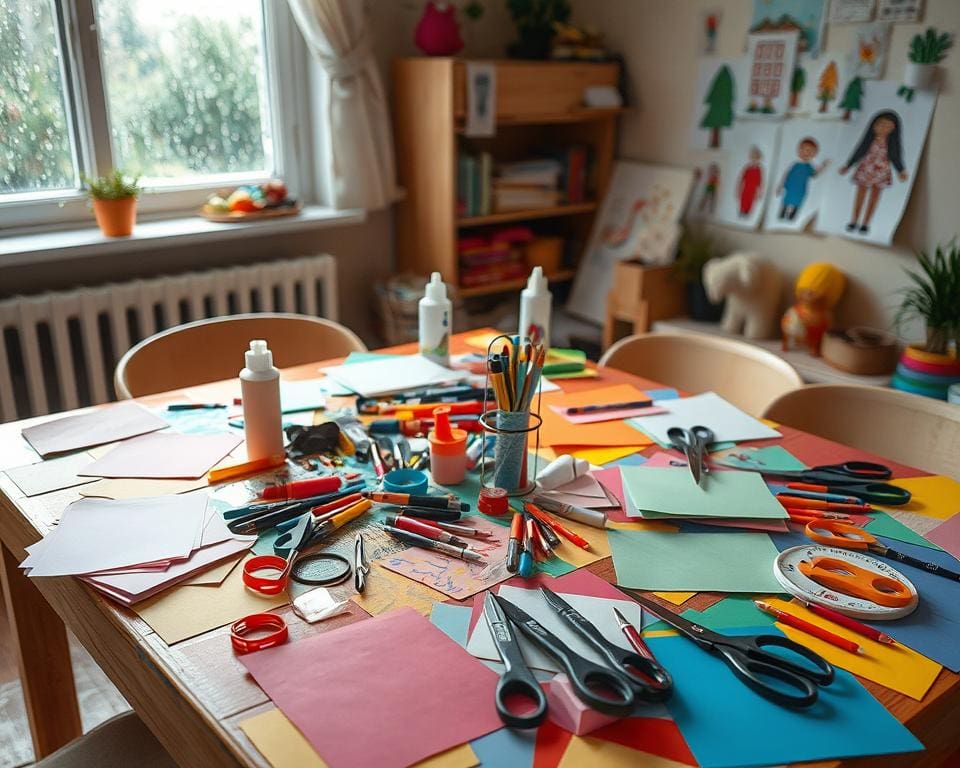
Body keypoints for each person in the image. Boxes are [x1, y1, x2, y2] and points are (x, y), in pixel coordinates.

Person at [839, 110, 907, 235]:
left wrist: (901, 170)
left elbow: (895, 156)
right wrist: (848, 165)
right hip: (866, 168)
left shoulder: (891, 144)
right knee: (860, 194)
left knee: (874, 197)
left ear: (893, 129)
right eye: (880, 124)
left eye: (888, 126)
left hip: (881, 171)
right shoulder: (869, 140)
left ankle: (865, 223)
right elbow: (860, 151)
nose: (883, 128)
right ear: (873, 124)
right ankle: (854, 220)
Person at [777, 137, 829, 220]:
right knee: (786, 202)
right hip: (790, 188)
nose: (805, 152)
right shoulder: (795, 165)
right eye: (802, 149)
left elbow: (814, 174)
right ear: (799, 150)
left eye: (809, 151)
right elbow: (786, 175)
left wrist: (822, 167)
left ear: (814, 154)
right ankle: (782, 215)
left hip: (800, 190)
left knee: (797, 203)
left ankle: (792, 217)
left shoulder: (808, 167)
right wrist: (780, 186)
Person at [736, 146, 763, 218]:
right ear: (750, 157)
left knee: (750, 202)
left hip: (753, 190)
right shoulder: (747, 168)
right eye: (752, 157)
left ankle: (746, 214)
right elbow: (741, 179)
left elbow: (760, 182)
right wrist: (738, 190)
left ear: (758, 158)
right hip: (745, 189)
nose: (754, 159)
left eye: (756, 157)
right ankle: (741, 212)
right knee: (743, 201)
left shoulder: (759, 170)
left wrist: (759, 193)